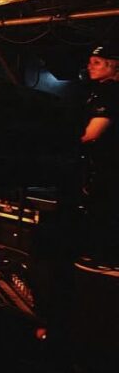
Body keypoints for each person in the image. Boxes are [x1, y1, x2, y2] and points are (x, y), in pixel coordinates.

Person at [77, 43, 119, 274]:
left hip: (109, 163)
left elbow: (93, 133)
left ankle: (106, 258)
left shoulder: (109, 93)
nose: (90, 66)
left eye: (97, 62)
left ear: (113, 66)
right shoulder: (102, 91)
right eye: (90, 62)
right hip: (105, 162)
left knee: (105, 207)